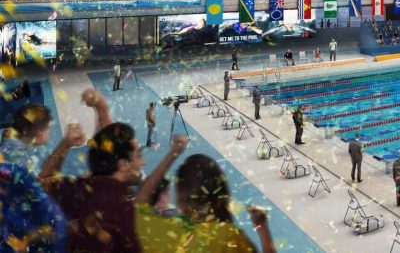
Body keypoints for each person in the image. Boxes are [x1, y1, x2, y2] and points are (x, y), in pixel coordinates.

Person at [134, 136, 277, 253]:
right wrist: (262, 228)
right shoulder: (230, 237)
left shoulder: (169, 233)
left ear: (181, 199)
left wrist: (173, 153)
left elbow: (139, 204)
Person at [40, 90, 141, 253]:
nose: (143, 162)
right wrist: (101, 107)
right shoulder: (126, 212)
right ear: (123, 165)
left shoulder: (81, 189)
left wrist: (65, 144)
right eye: (138, 155)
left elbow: (45, 178)